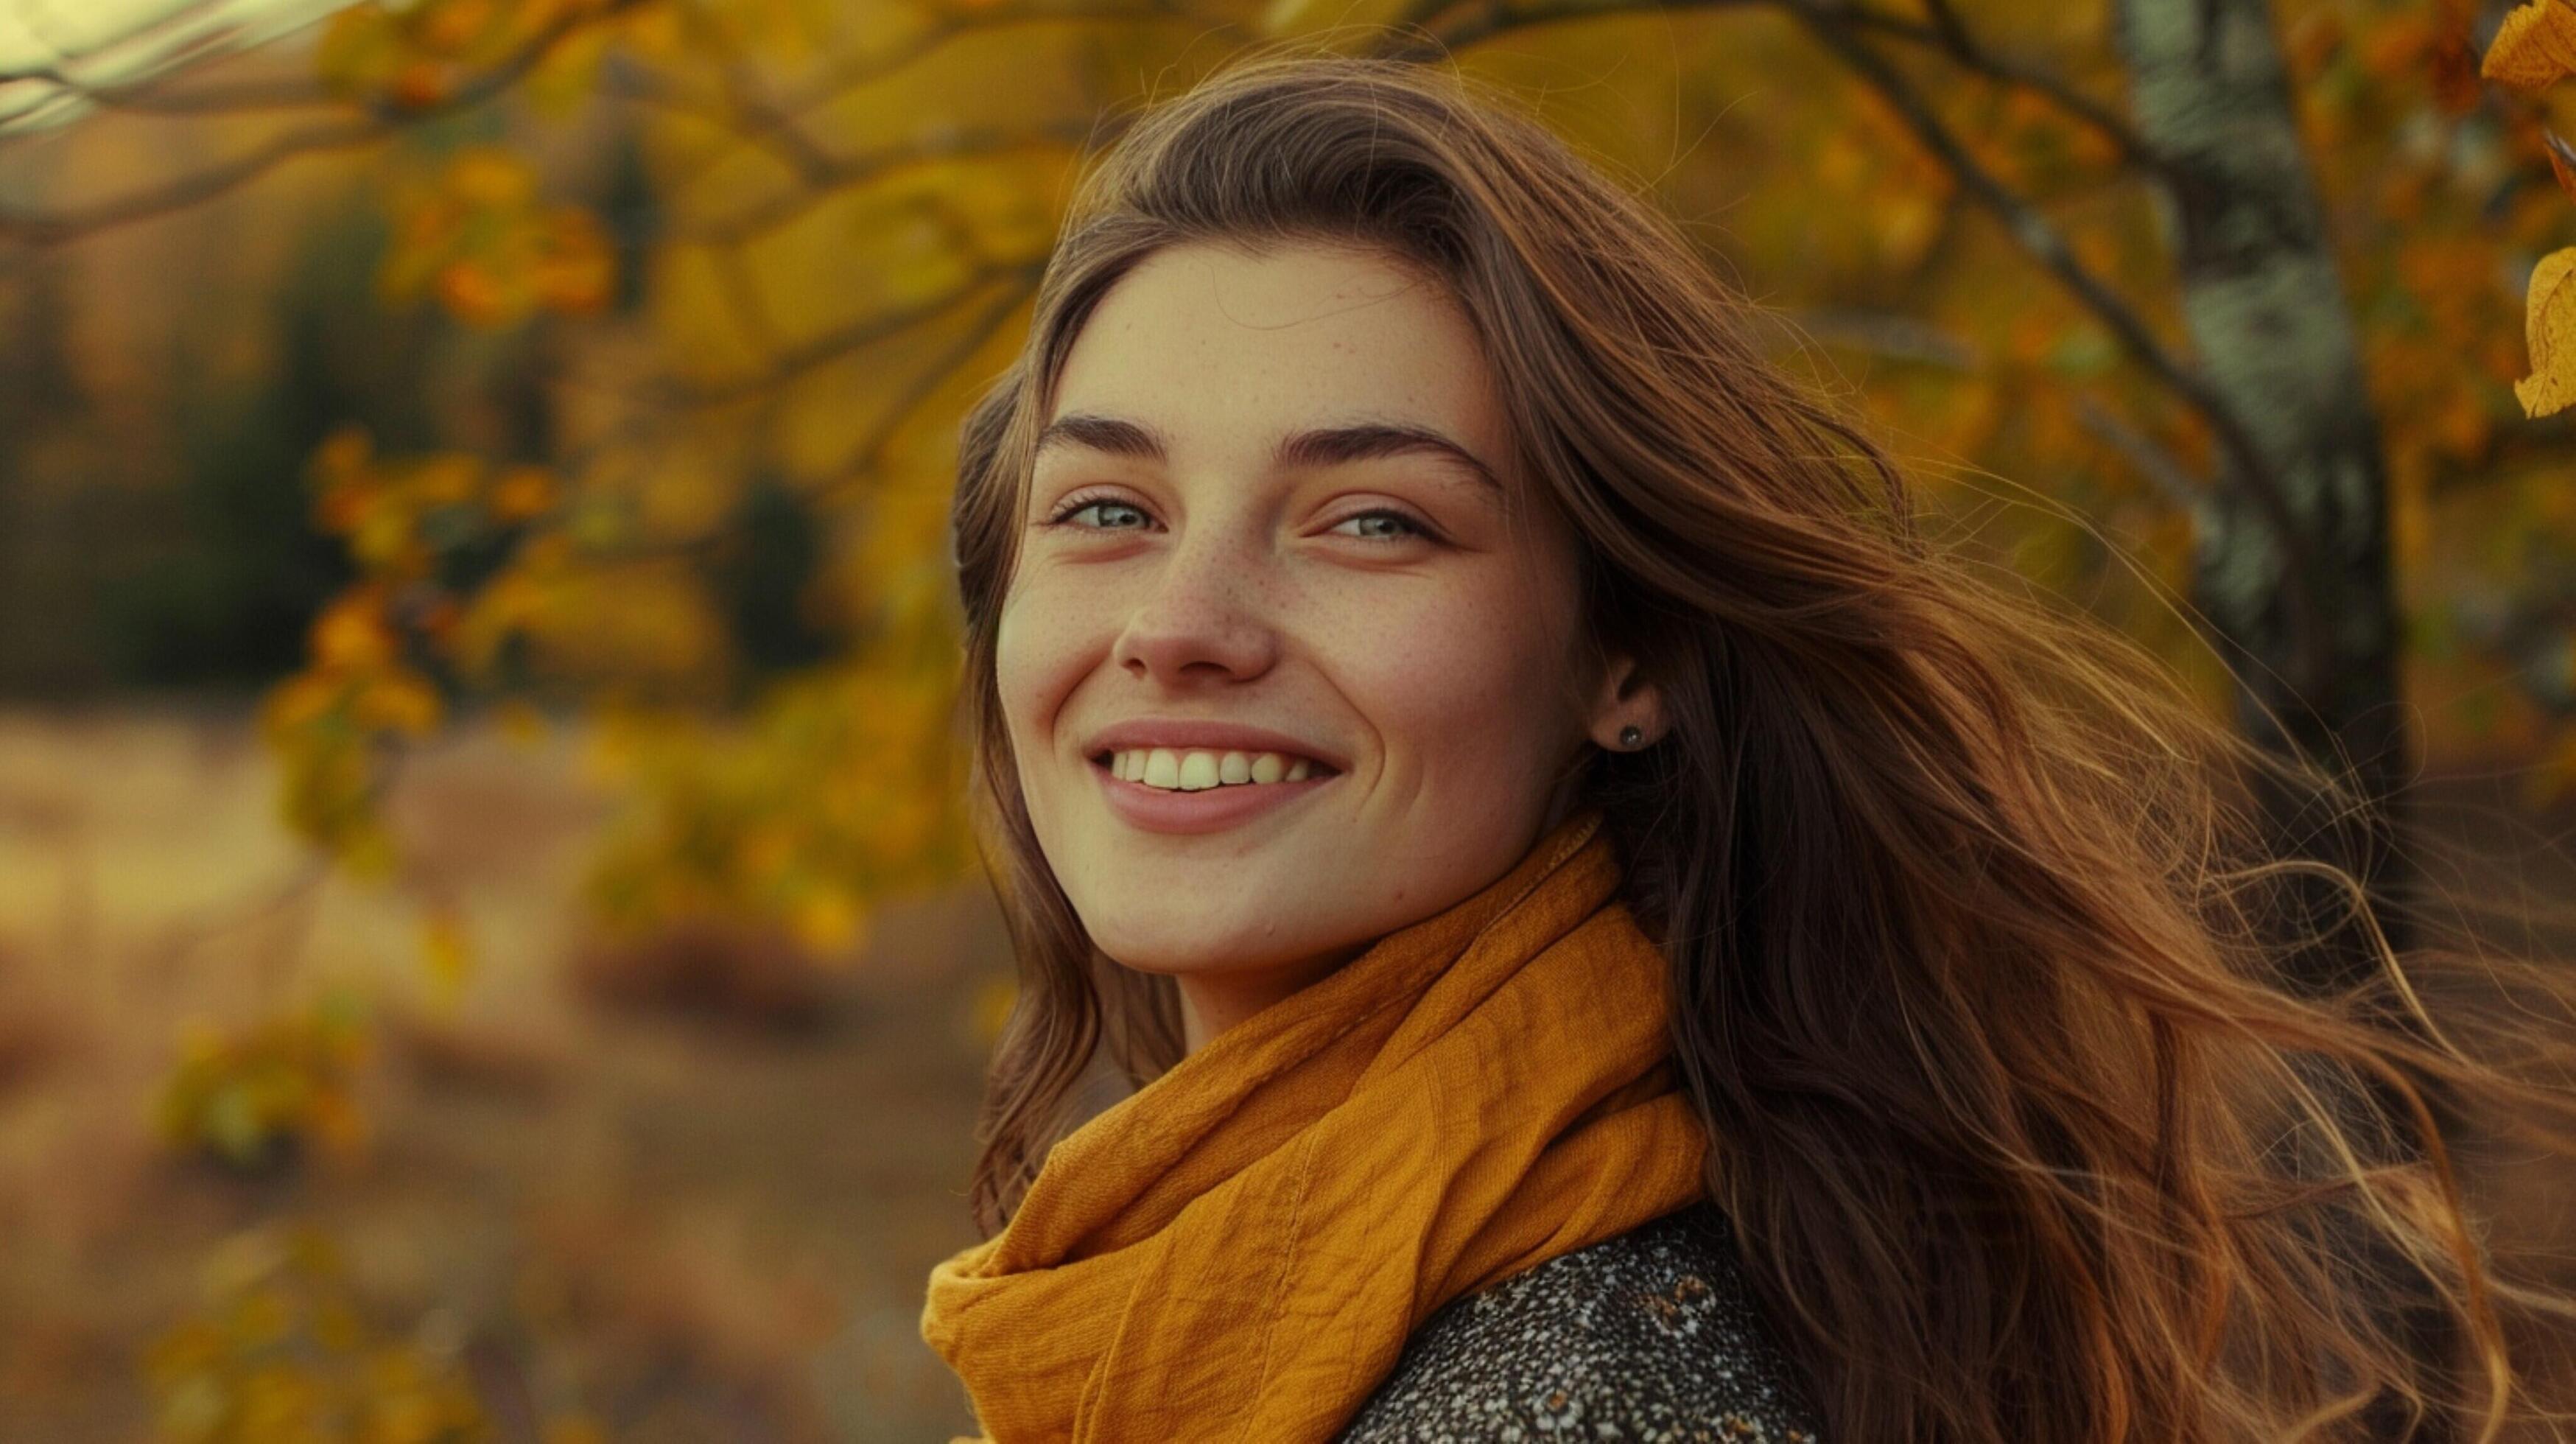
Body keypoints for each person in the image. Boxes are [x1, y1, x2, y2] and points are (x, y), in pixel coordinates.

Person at [916, 47, 2576, 1443]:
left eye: (1369, 520)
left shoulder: (1583, 1387)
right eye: (1111, 508)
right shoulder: (1283, 1305)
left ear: (1623, 654)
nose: (1181, 620)